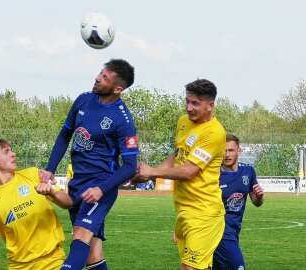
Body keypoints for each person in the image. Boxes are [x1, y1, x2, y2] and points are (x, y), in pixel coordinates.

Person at [40, 58, 139, 270]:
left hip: (100, 187)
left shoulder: (123, 120)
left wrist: (101, 189)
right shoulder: (83, 100)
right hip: (77, 183)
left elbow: (130, 166)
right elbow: (65, 134)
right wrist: (50, 168)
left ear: (118, 88)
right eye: (100, 73)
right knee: (93, 252)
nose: (97, 78)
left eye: (105, 78)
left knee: (80, 235)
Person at [135, 79, 226, 270]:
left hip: (204, 212)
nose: (189, 108)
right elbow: (178, 155)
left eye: (196, 103)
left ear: (210, 105)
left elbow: (188, 171)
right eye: (187, 101)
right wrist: (151, 174)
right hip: (183, 210)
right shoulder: (183, 122)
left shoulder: (214, 133)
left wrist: (153, 172)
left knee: (189, 268)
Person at [0, 138, 73, 270]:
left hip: (54, 261)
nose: (13, 154)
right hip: (19, 266)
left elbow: (68, 203)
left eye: (11, 150)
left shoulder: (32, 174)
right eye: (6, 152)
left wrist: (53, 193)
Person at [213, 134, 264, 270]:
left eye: (230, 150)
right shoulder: (213, 175)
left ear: (239, 151)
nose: (226, 155)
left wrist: (259, 196)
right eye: (223, 151)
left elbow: (256, 202)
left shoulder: (248, 171)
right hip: (218, 229)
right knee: (238, 267)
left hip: (234, 230)